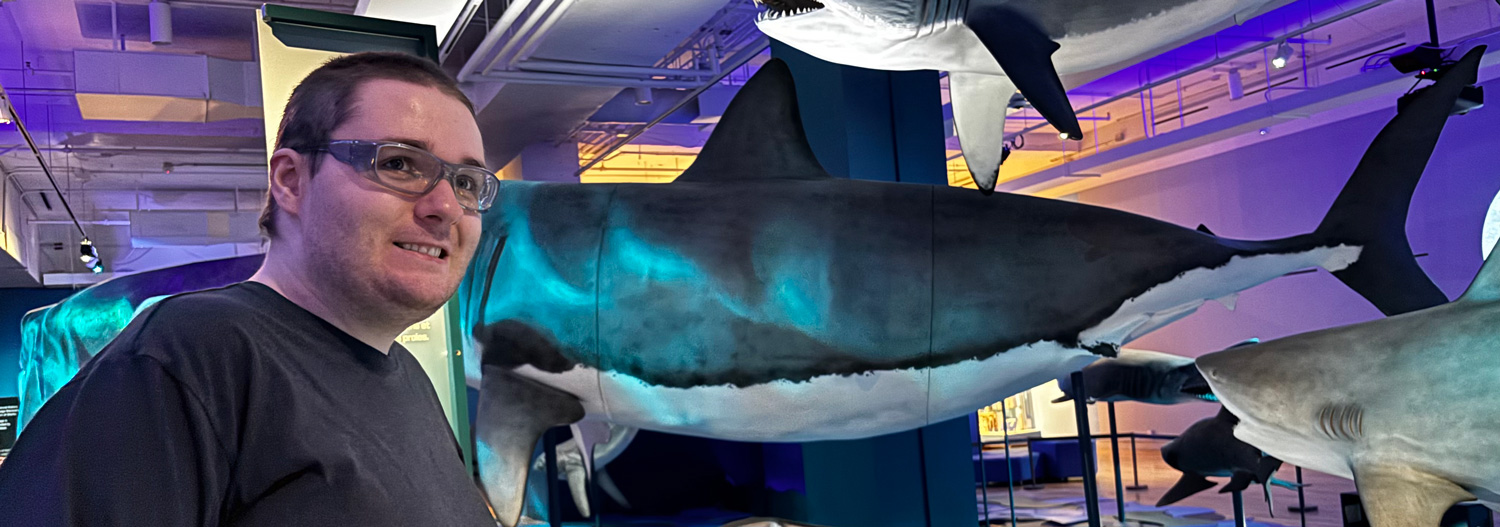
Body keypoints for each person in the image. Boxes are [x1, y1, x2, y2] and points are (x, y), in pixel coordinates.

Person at [0, 52, 501, 525]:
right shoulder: (188, 355)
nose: (447, 208)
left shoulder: (408, 376)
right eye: (398, 164)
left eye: (467, 183)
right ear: (291, 180)